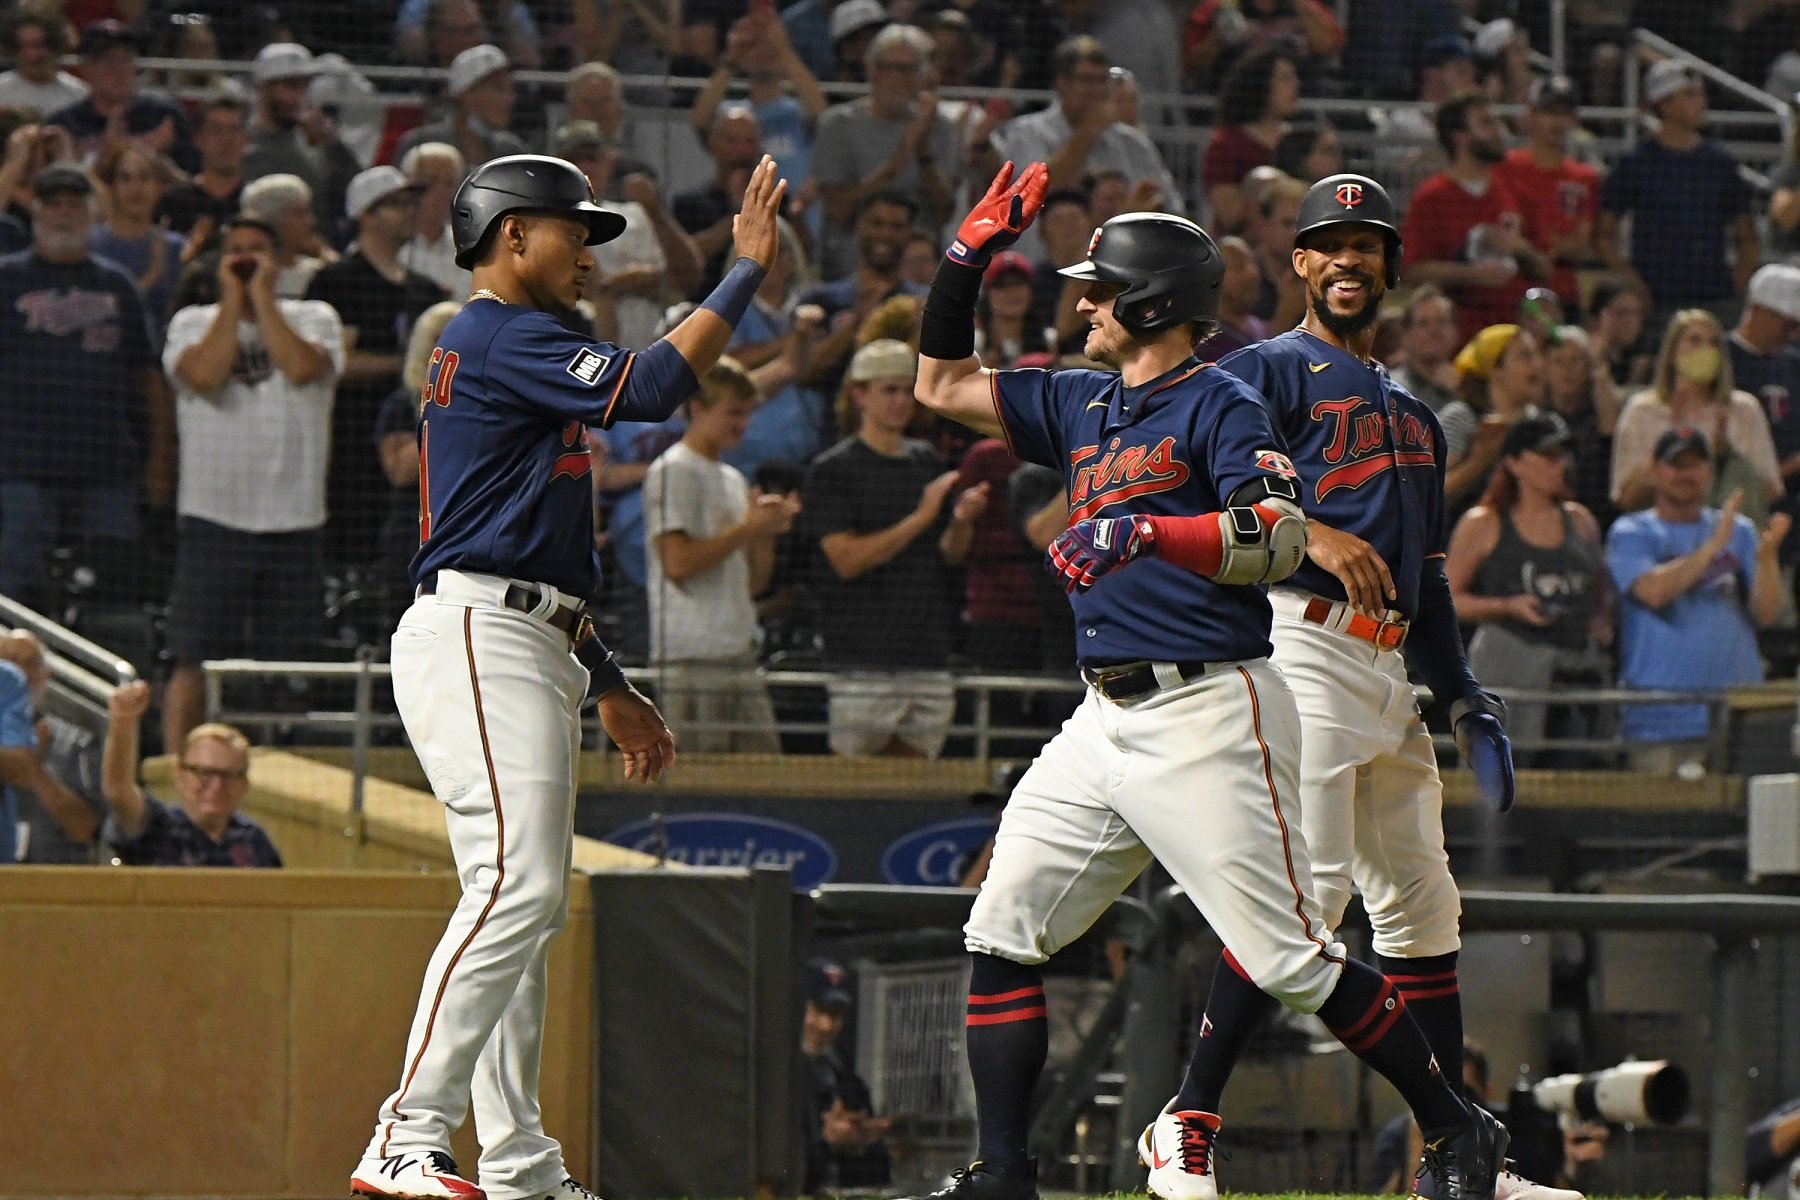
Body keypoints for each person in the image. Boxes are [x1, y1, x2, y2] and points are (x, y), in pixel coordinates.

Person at [907, 163, 1504, 1200]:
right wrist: (965, 258)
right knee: (1001, 927)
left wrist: (1148, 528)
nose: (1083, 303)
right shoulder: (1079, 400)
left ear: (1149, 302)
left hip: (1212, 708)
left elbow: (1273, 538)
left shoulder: (1224, 402)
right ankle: (1002, 1173)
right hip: (1101, 720)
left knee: (1292, 961)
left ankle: (1457, 1128)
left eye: (1100, 290)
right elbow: (939, 383)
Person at [349, 152, 787, 1200]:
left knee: (524, 910)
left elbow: (534, 559)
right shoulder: (499, 333)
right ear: (512, 236)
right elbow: (653, 387)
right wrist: (744, 269)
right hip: (475, 633)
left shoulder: (516, 342)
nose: (590, 251)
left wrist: (608, 679)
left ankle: (518, 1170)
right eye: (572, 232)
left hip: (526, 633)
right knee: (520, 887)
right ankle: (404, 1136)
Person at [159, 216, 344, 756]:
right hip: (212, 519)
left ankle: (279, 776)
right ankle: (175, 772)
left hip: (295, 519)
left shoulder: (315, 317)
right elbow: (206, 375)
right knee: (191, 656)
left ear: (279, 259)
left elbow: (303, 368)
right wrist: (232, 302)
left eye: (258, 251)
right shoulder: (192, 322)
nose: (245, 261)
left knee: (286, 670)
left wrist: (262, 299)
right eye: (235, 251)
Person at [805, 339, 987, 758]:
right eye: (890, 390)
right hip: (862, 659)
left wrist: (960, 522)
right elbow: (846, 561)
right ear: (859, 394)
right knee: (862, 784)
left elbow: (949, 554)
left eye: (908, 391)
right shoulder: (833, 471)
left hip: (927, 652)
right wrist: (922, 516)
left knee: (921, 779)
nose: (902, 401)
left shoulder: (925, 461)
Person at [0, 164, 166, 611]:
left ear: (92, 213)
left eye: (74, 204)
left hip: (106, 468)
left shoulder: (117, 285)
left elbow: (149, 378)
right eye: (52, 203)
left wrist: (159, 464)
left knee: (109, 597)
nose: (63, 214)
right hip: (19, 468)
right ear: (34, 211)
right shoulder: (5, 279)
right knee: (15, 597)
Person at [1605, 427, 1789, 775]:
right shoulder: (1632, 533)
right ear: (1656, 470)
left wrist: (1766, 559)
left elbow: (1766, 614)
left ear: (1709, 471)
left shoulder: (1742, 531)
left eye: (1694, 464)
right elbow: (1653, 592)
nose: (1684, 474)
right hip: (1660, 722)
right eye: (1675, 464)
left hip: (1737, 716)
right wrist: (1712, 548)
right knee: (1661, 826)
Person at [643, 358, 800, 753]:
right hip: (692, 658)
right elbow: (677, 564)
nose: (743, 423)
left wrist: (764, 533)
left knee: (762, 774)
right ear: (697, 409)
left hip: (740, 650)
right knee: (700, 784)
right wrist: (747, 528)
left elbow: (754, 584)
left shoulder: (731, 478)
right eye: (733, 412)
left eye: (747, 413)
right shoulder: (673, 470)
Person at [1446, 414, 1612, 760]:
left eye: (1561, 455)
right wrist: (1507, 607)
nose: (1559, 464)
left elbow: (1600, 591)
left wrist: (1601, 620)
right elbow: (1449, 600)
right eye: (1547, 455)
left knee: (1576, 777)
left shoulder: (1580, 521)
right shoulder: (1485, 523)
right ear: (1515, 462)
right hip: (1508, 668)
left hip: (1574, 672)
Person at [306, 166, 446, 572]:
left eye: (410, 203)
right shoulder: (337, 282)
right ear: (366, 215)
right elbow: (336, 362)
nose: (409, 212)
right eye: (396, 204)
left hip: (413, 434)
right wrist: (406, 364)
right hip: (354, 438)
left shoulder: (424, 288)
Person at [1596, 59, 1757, 322]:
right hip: (1657, 300)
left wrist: (1735, 288)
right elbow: (1604, 236)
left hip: (1714, 297)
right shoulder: (1636, 162)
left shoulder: (1720, 163)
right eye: (1689, 95)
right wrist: (1636, 286)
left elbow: (1747, 235)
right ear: (1664, 103)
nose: (1701, 102)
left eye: (1701, 94)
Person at [810, 24, 961, 277]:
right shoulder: (838, 124)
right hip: (850, 268)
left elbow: (943, 211)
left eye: (905, 69)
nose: (894, 78)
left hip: (919, 269)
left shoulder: (939, 127)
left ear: (921, 75)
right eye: (885, 67)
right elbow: (839, 210)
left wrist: (923, 152)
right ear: (870, 69)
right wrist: (897, 161)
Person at [1401, 92, 1549, 343]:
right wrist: (1472, 274)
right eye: (1486, 123)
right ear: (1459, 137)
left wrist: (1520, 248)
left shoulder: (1517, 191)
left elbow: (1545, 268)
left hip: (1517, 334)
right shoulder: (1432, 197)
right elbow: (1411, 271)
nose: (1498, 131)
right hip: (1460, 334)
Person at [1611, 309, 1781, 524]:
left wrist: (1726, 457)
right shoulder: (1643, 410)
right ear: (1672, 352)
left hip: (1731, 538)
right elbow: (1626, 498)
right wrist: (1668, 447)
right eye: (1694, 340)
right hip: (1662, 541)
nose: (1706, 350)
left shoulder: (1744, 408)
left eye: (1713, 343)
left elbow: (1770, 490)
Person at [99, 679, 282, 868]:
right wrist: (123, 721)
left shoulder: (253, 840)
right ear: (180, 775)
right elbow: (118, 791)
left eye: (228, 776)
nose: (217, 786)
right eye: (205, 773)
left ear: (244, 785)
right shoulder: (157, 829)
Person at [1491, 75, 1598, 308]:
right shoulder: (1505, 167)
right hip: (1511, 292)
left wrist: (1546, 246)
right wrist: (1547, 248)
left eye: (1565, 113)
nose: (1557, 122)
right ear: (1530, 114)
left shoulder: (1585, 177)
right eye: (1549, 112)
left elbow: (1581, 245)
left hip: (1564, 293)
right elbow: (1505, 232)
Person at [0, 629, 101, 864]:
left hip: (55, 882)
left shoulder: (78, 744)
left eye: (31, 663)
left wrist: (34, 771)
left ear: (47, 674)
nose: (21, 674)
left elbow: (85, 830)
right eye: (11, 661)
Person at [47, 20, 197, 174]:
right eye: (108, 62)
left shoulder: (165, 115)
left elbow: (191, 183)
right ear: (86, 68)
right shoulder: (66, 124)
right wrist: (122, 151)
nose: (119, 70)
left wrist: (154, 160)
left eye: (125, 59)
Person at [241, 42, 361, 231]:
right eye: (291, 85)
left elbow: (355, 195)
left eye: (305, 85)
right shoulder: (239, 142)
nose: (300, 95)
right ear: (263, 88)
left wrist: (334, 146)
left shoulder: (316, 142)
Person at [802, 957, 893, 1193]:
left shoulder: (848, 1084)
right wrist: (825, 1142)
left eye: (835, 1015)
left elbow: (879, 1175)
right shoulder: (778, 1080)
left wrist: (863, 1143)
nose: (826, 1026)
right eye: (818, 1011)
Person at [1440, 323, 1548, 509]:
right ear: (1496, 369)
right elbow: (1428, 495)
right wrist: (1479, 461)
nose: (1538, 365)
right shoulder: (1462, 417)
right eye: (1525, 357)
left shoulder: (1544, 423)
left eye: (1536, 355)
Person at [1728, 264, 1800, 532]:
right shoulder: (1723, 359)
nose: (1794, 334)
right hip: (1739, 507)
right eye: (1788, 324)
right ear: (1758, 310)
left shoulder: (1794, 363)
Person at [1201, 49, 1302, 236]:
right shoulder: (1226, 144)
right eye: (1284, 78)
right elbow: (1230, 215)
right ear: (1261, 84)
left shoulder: (1300, 139)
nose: (1295, 85)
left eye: (1295, 77)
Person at [90, 142, 186, 333]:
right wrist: (154, 273)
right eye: (126, 179)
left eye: (144, 178)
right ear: (112, 188)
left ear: (159, 188)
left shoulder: (176, 247)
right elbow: (99, 313)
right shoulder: (91, 246)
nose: (136, 188)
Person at [395, 43, 530, 168]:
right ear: (466, 94)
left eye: (511, 89)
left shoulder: (511, 152)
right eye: (499, 88)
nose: (510, 99)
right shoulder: (421, 145)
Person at [156, 95, 248, 238]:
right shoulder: (174, 203)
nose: (227, 139)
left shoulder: (254, 201)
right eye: (217, 130)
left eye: (235, 130)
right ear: (198, 139)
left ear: (245, 139)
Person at [397, 141, 473, 297]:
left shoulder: (470, 250)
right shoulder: (388, 244)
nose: (442, 192)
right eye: (431, 181)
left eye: (449, 183)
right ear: (407, 184)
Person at [239, 173, 331, 300]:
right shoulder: (242, 277)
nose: (311, 222)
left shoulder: (319, 274)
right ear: (272, 220)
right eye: (299, 213)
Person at [0, 3, 88, 115]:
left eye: (39, 45)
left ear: (55, 45)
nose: (33, 55)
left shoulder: (79, 94)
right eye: (24, 47)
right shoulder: (1, 90)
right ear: (13, 49)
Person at [1390, 285, 1461, 413]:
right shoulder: (1390, 390)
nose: (1434, 331)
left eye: (1442, 321)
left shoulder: (1468, 389)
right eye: (1424, 323)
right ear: (1405, 336)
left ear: (1456, 332)